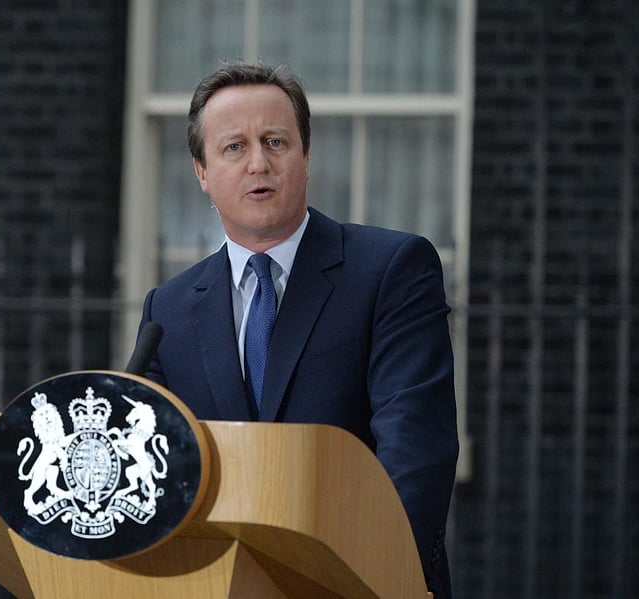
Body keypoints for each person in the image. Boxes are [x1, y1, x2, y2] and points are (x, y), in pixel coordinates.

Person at [136, 62, 458, 598]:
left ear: (306, 155)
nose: (258, 163)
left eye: (276, 141)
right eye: (234, 147)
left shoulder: (391, 269)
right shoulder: (167, 310)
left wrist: (369, 576)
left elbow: (414, 450)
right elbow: (154, 464)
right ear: (202, 172)